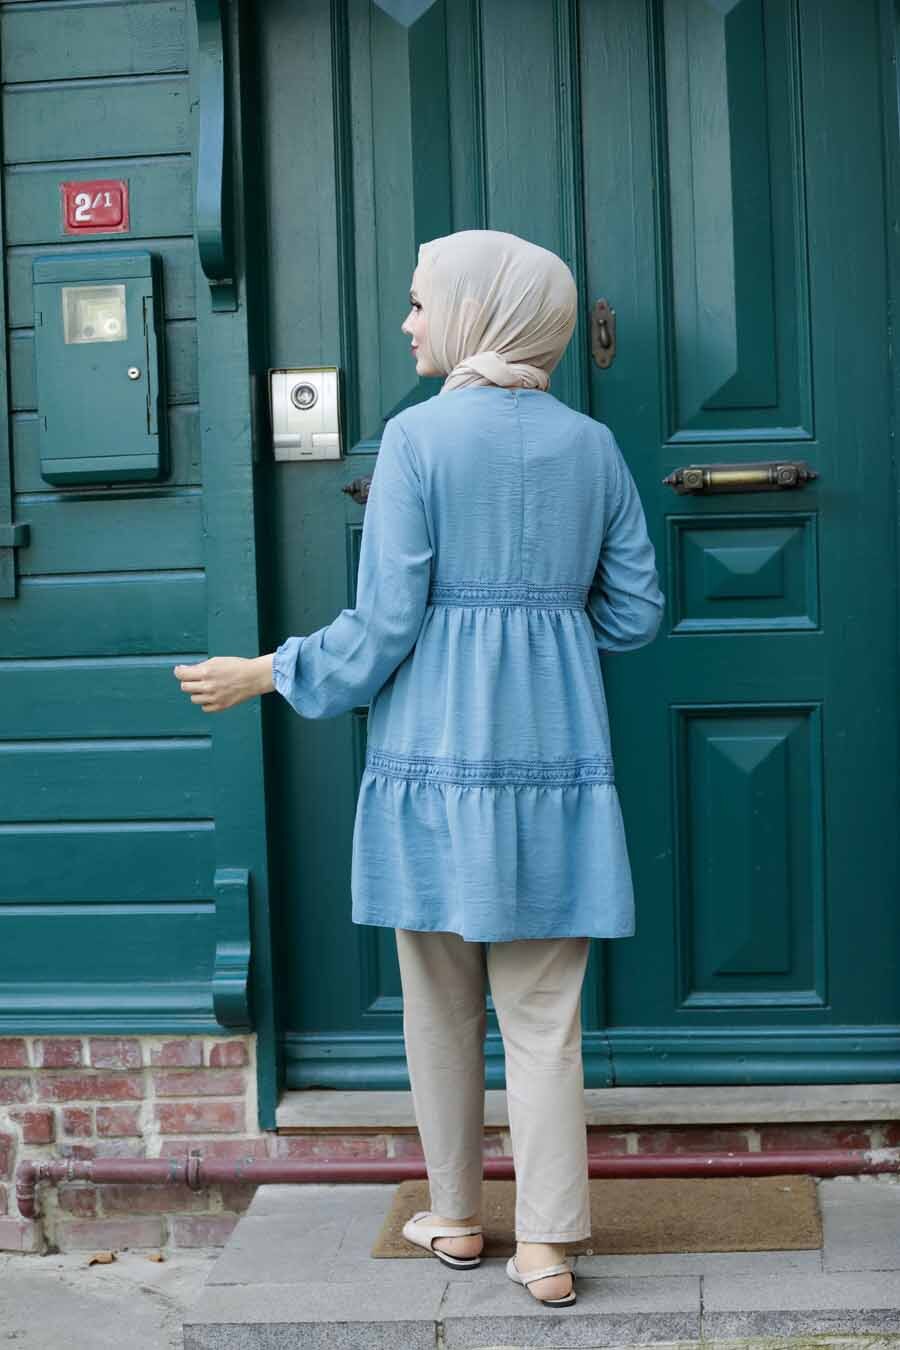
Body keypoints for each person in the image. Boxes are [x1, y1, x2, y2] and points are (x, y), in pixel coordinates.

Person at [173, 228, 664, 1307]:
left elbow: (385, 622)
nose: (407, 322)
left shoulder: (416, 439)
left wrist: (269, 670)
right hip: (555, 762)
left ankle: (455, 1216)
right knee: (545, 1019)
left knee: (438, 1009)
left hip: (434, 764)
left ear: (477, 308)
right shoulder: (594, 447)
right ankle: (548, 1246)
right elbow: (634, 614)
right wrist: (543, 630)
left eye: (419, 301)